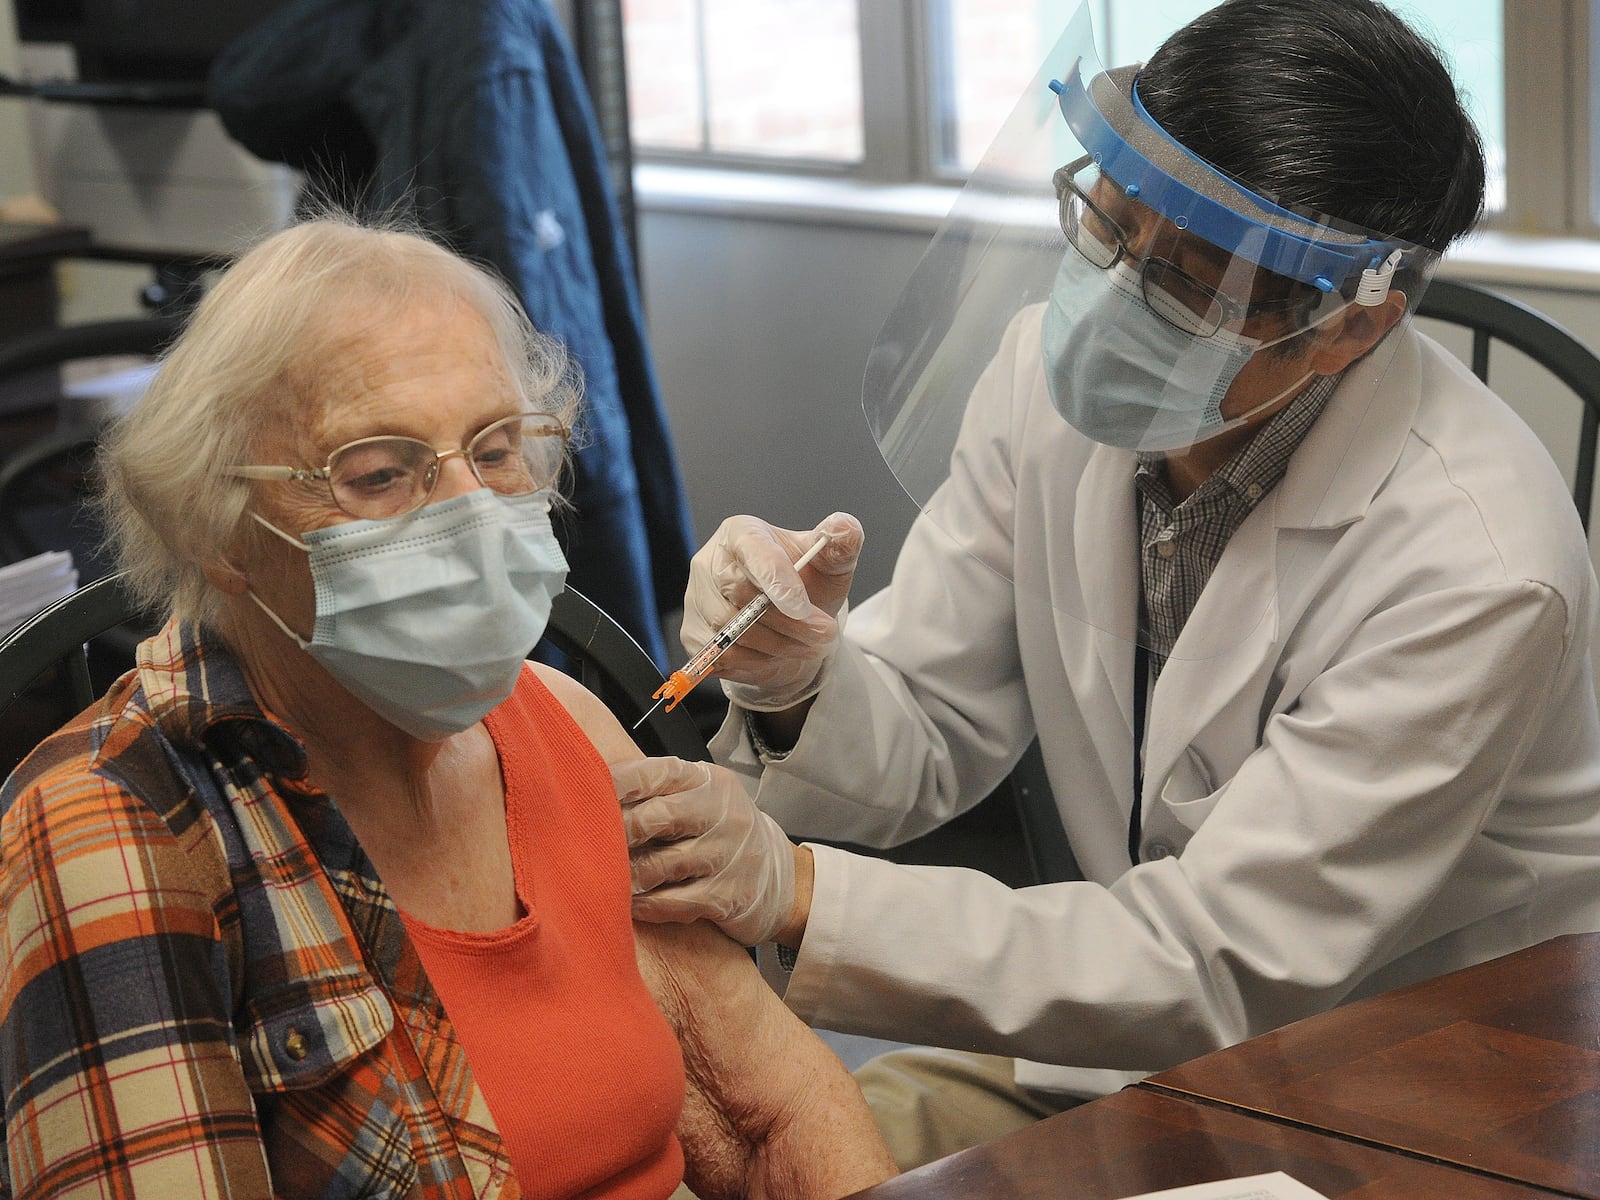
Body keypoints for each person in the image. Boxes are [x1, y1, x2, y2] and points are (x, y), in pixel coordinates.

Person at [618, 0, 1600, 1171]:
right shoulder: (1047, 387)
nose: (1114, 300)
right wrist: (794, 684)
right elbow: (934, 727)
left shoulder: (1477, 568)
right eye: (1110, 225)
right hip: (1128, 1025)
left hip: (1414, 1079)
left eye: (1189, 281)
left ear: (1350, 326)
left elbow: (1215, 959)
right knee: (713, 1156)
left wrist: (796, 892)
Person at [0, 216, 897, 1199]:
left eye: (499, 448)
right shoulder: (116, 834)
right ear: (218, 525)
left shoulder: (562, 725)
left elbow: (774, 1113)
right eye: (379, 473)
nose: (470, 513)